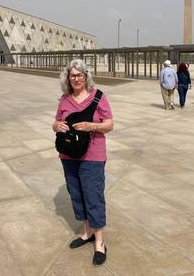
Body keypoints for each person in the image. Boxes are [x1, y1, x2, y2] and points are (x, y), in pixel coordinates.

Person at [52, 59, 113, 266]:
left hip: (92, 156)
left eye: (79, 75)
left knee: (92, 194)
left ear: (86, 76)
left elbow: (109, 124)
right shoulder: (65, 99)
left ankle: (100, 242)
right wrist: (56, 125)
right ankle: (87, 233)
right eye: (72, 75)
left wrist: (90, 126)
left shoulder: (98, 96)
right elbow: (55, 122)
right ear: (67, 78)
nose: (76, 79)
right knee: (76, 194)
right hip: (68, 155)